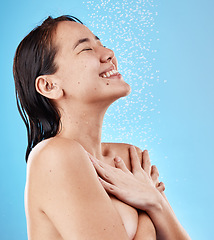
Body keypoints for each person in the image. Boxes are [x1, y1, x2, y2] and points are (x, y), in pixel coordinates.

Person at [13, 15, 191, 240]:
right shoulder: (53, 156)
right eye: (86, 49)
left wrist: (155, 203)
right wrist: (146, 218)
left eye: (102, 44)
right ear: (49, 85)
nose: (109, 54)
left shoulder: (129, 158)